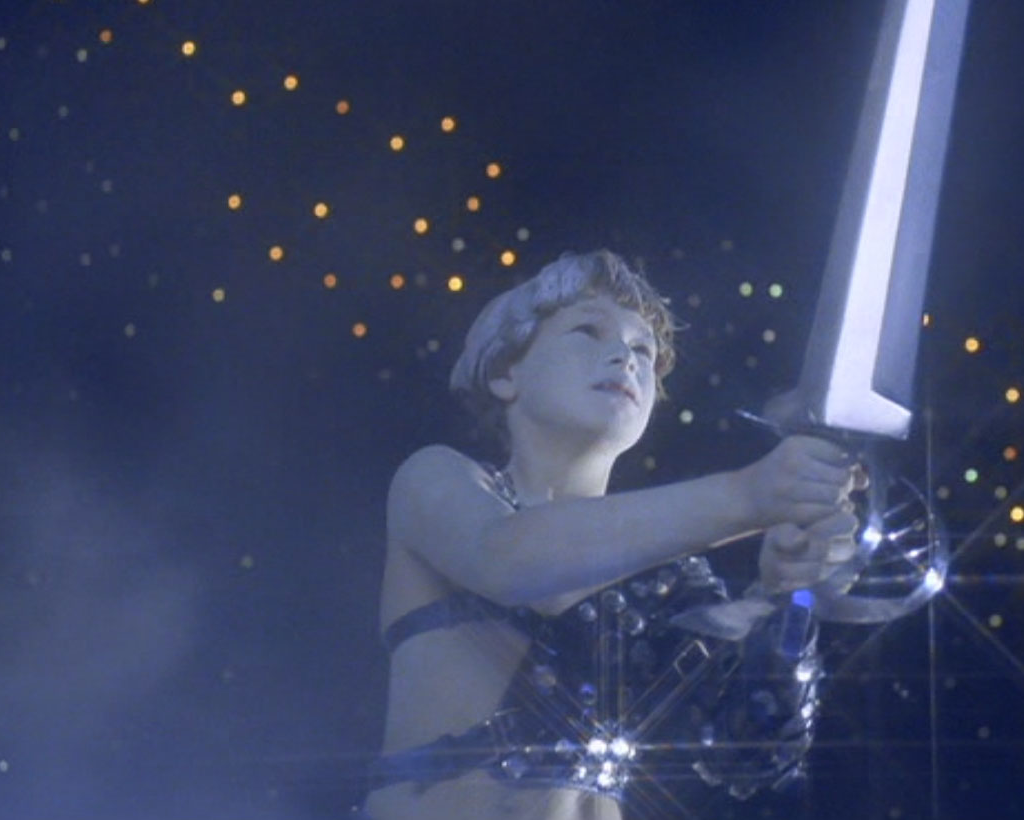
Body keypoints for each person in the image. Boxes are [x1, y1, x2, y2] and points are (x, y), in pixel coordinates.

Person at [361, 250, 863, 820]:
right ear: (506, 373)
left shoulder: (670, 573)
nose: (626, 356)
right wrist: (750, 496)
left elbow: (752, 751)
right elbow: (508, 559)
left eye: (644, 351)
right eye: (587, 330)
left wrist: (790, 593)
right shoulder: (434, 478)